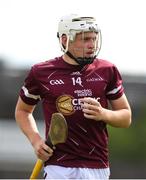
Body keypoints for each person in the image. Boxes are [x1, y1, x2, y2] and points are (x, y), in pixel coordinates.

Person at [15, 14, 132, 179]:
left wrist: (103, 114)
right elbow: (22, 111)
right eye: (85, 40)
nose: (92, 45)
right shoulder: (41, 72)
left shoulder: (107, 70)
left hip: (97, 165)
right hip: (58, 165)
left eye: (94, 39)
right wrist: (36, 141)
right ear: (65, 40)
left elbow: (126, 117)